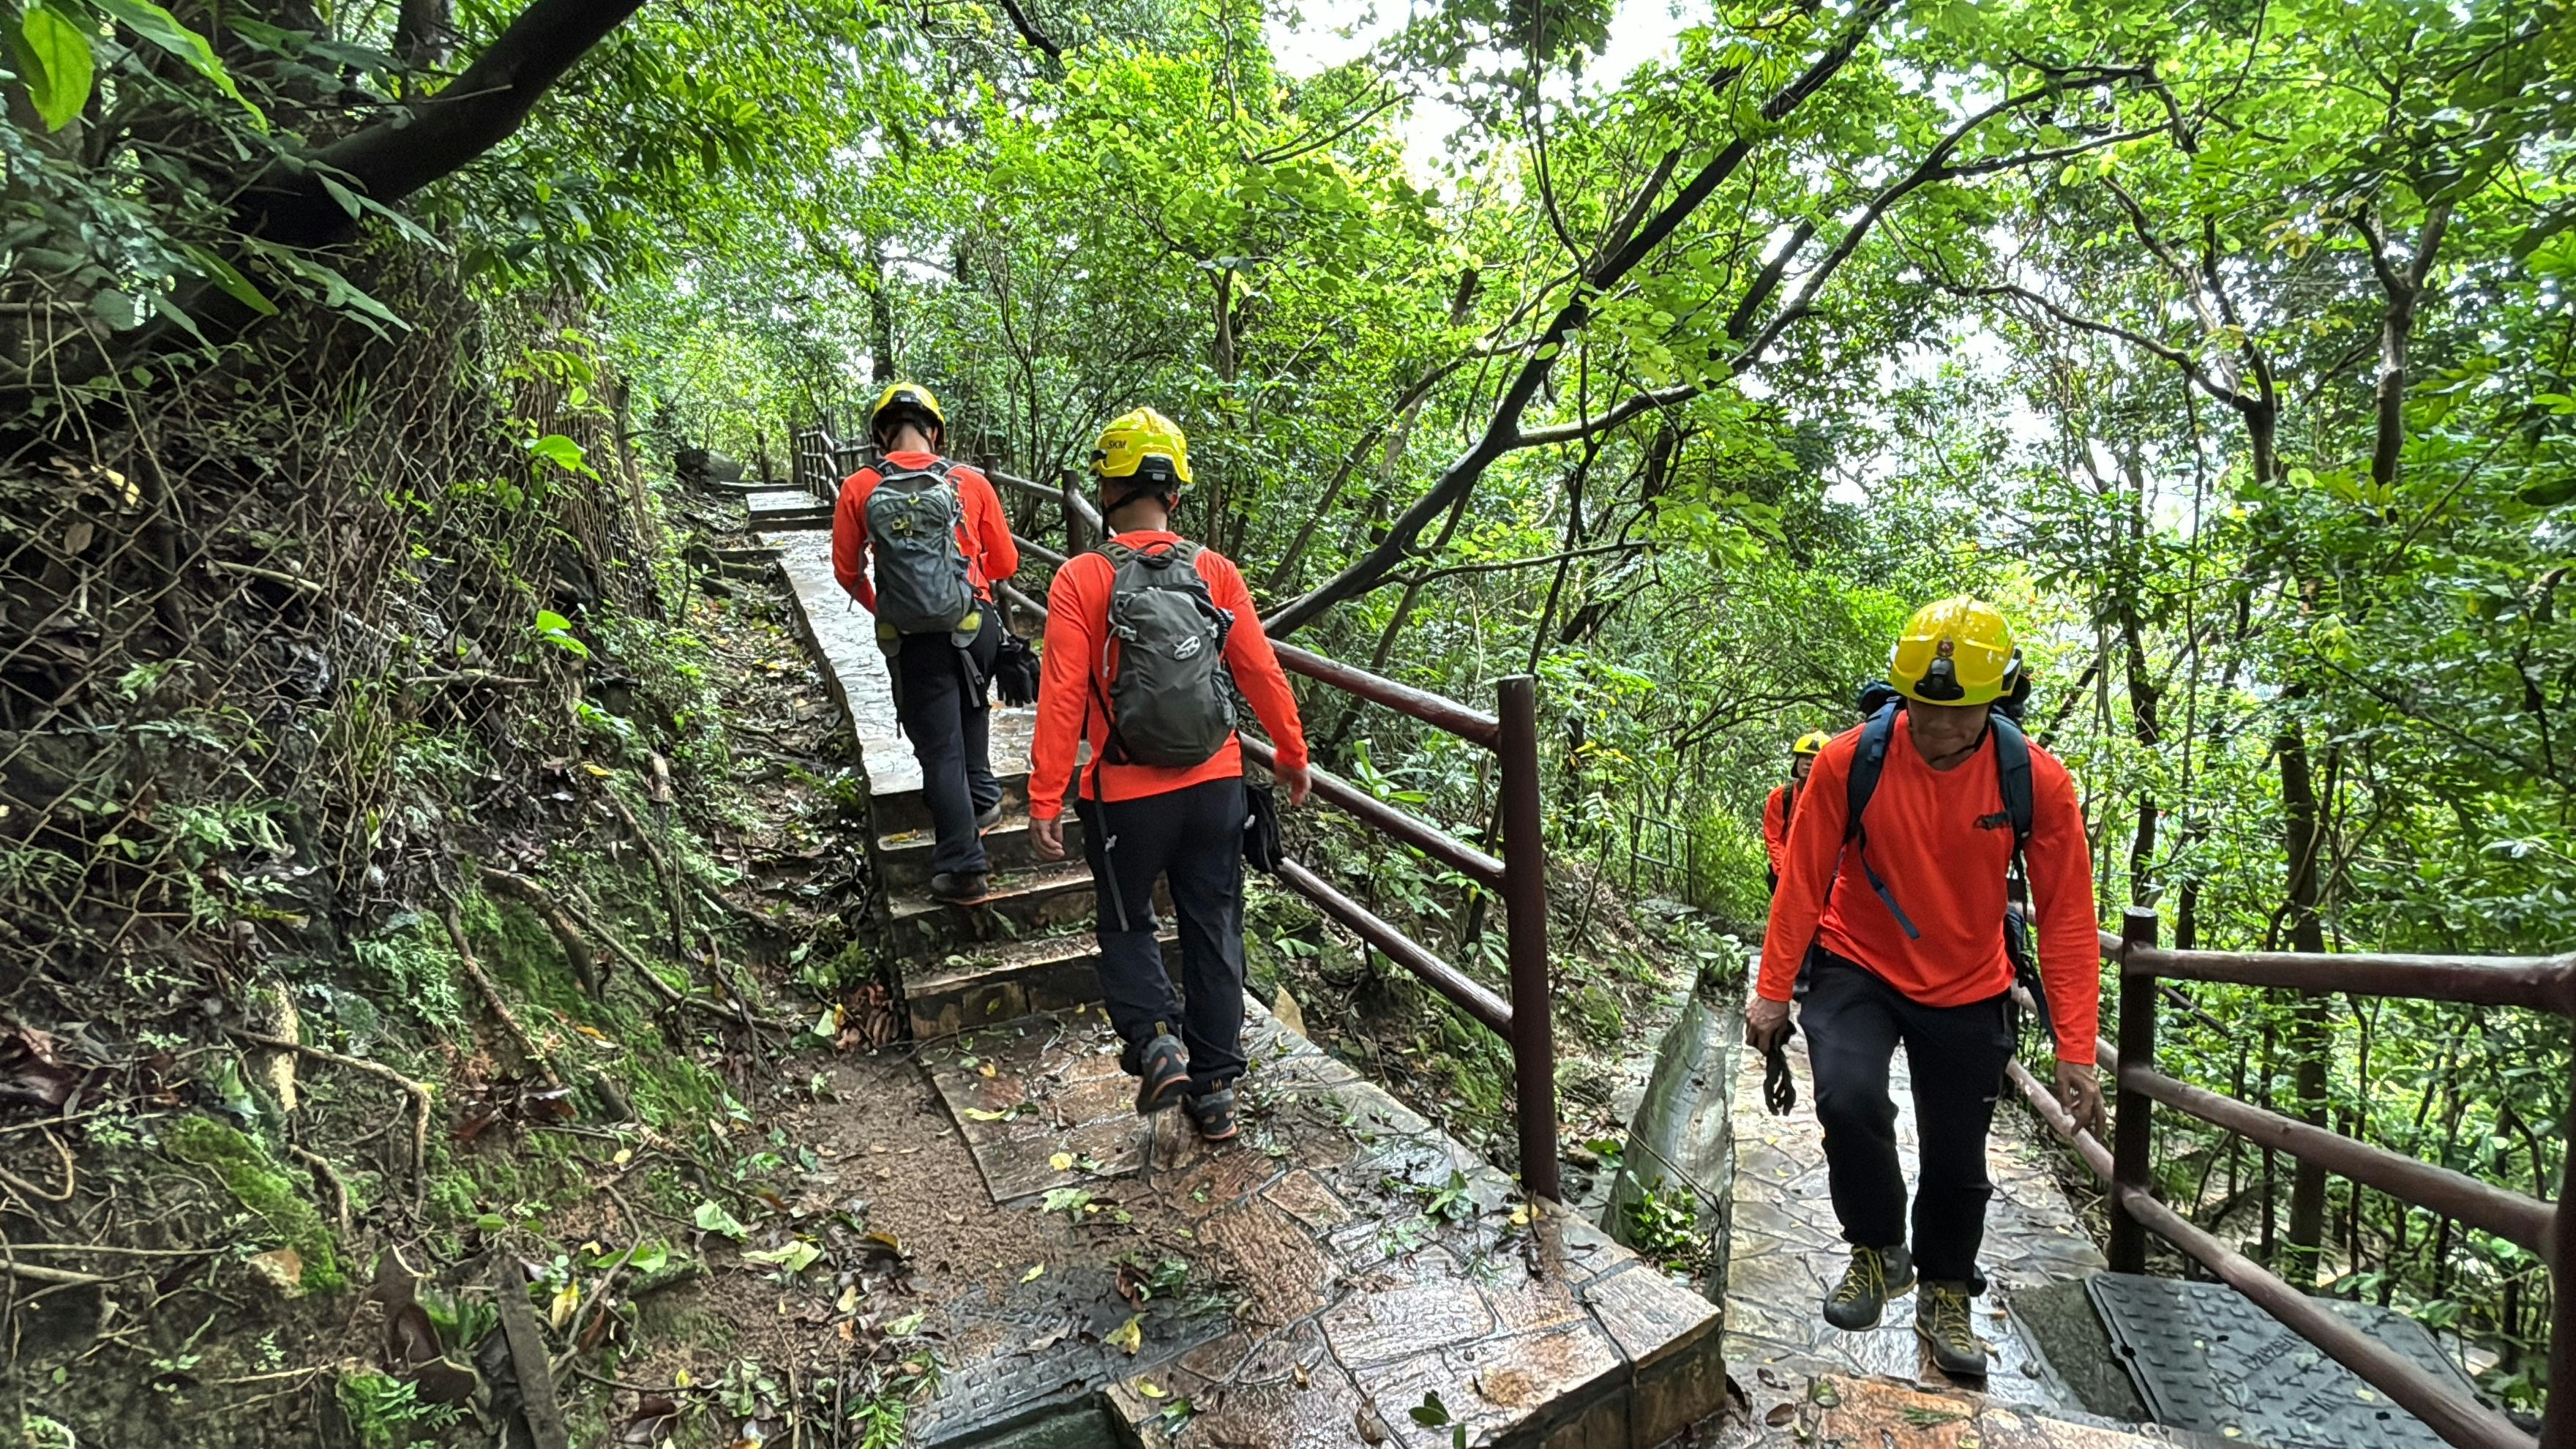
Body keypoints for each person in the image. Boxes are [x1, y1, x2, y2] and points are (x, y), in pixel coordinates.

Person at [1744, 598, 2105, 1380]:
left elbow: (2069, 920)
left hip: (1971, 981)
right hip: (1856, 959)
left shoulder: (2035, 781)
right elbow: (1802, 882)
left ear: (1999, 700)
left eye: (1960, 714)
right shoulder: (1850, 760)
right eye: (1923, 710)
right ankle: (1877, 1248)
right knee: (1845, 1096)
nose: (1938, 729)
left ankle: (1946, 1287)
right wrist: (1772, 993)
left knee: (1957, 1151)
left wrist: (2075, 1046)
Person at [1025, 408, 1312, 1143]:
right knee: (1214, 928)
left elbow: (1060, 695)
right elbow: (1258, 669)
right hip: (1215, 787)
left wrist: (1046, 796)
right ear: (1174, 492)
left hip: (1123, 796)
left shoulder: (1081, 577)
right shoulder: (1213, 571)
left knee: (1126, 923)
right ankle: (1214, 1095)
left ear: (1108, 487)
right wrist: (1290, 754)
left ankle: (1157, 1041)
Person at [831, 383, 1019, 902]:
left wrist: (889, 609)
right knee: (972, 706)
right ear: (935, 432)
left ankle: (963, 867)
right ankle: (981, 798)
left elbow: (847, 573)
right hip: (974, 623)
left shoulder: (859, 487)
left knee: (939, 750)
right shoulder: (971, 483)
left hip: (913, 639)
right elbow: (1005, 565)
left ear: (881, 435)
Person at [1763, 731, 1832, 891]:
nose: (1808, 763)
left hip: (1821, 876)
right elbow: (1773, 838)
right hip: (1787, 872)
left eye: (1814, 758)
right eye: (1804, 757)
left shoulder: (1834, 799)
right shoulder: (1781, 796)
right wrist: (1784, 871)